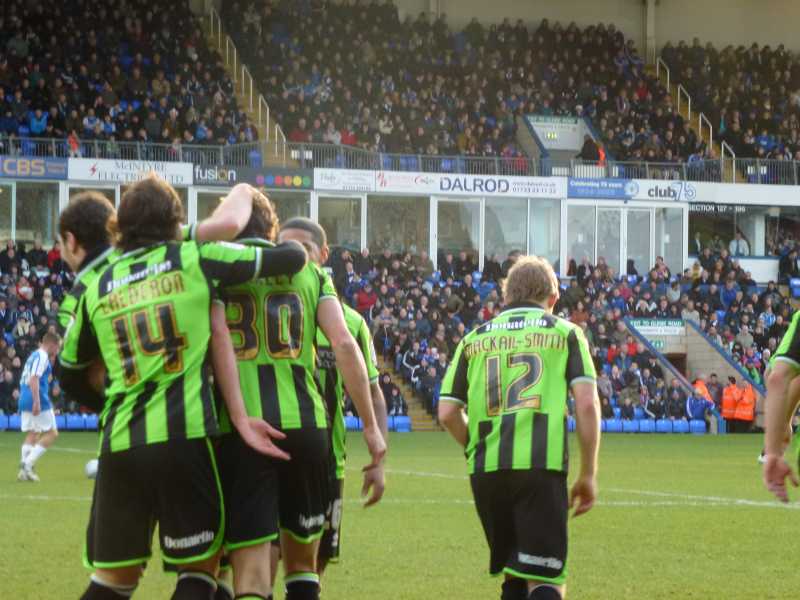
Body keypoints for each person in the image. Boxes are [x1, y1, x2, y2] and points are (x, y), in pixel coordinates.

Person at [58, 176, 308, 600]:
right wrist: (195, 233)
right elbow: (291, 258)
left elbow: (69, 371)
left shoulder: (97, 284)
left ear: (120, 226)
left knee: (113, 582)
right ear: (176, 221)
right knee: (200, 572)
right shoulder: (193, 255)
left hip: (120, 444)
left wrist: (110, 402)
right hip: (184, 439)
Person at [215, 207, 386, 600]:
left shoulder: (220, 275)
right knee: (303, 568)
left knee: (253, 571)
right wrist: (372, 430)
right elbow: (343, 344)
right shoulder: (313, 274)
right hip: (307, 427)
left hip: (244, 432)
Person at [438, 255, 600, 600]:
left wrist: (474, 445)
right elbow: (586, 403)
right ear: (553, 299)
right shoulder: (566, 333)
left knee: (515, 575)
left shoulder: (473, 340)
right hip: (539, 468)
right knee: (545, 579)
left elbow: (448, 412)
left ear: (506, 296)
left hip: (486, 471)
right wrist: (588, 473)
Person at [280, 217, 389, 578]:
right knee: (259, 554)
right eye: (286, 249)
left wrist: (379, 456)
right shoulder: (267, 312)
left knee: (317, 560)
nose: (295, 259)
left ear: (323, 255)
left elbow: (373, 392)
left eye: (304, 251)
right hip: (270, 450)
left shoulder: (352, 325)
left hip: (327, 457)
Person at [16, 332, 61, 482]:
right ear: (52, 344)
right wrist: (36, 401)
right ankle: (27, 465)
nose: (57, 351)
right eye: (58, 347)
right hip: (36, 398)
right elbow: (34, 378)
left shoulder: (33, 355)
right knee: (52, 433)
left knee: (33, 433)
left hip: (24, 397)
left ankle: (22, 473)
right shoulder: (42, 356)